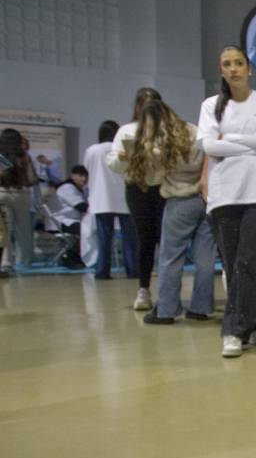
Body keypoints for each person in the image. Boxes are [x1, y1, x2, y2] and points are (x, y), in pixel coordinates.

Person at [197, 46, 256, 357]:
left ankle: (233, 330)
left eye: (238, 63)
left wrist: (231, 140)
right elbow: (210, 146)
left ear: (249, 68)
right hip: (224, 194)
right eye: (227, 64)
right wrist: (255, 146)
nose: (233, 69)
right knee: (234, 264)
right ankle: (253, 325)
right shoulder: (211, 106)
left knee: (250, 262)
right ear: (221, 70)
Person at [134, 102, 214, 325]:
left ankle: (166, 310)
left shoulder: (159, 143)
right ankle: (201, 308)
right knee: (205, 257)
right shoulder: (193, 130)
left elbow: (153, 179)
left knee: (171, 257)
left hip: (179, 201)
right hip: (206, 198)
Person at [108, 88, 172, 311]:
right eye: (144, 104)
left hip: (164, 189)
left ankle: (168, 291)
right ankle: (143, 289)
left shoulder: (169, 131)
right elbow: (114, 164)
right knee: (145, 239)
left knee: (166, 240)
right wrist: (122, 158)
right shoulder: (127, 130)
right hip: (138, 188)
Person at [83, 120, 138, 279]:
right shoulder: (122, 149)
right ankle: (133, 270)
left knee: (104, 239)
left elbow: (87, 168)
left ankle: (102, 271)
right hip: (124, 198)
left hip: (100, 199)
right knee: (129, 239)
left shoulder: (91, 150)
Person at [0, 127, 38, 272]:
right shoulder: (24, 157)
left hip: (2, 193)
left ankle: (5, 262)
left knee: (5, 229)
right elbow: (32, 179)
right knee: (24, 229)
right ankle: (24, 261)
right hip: (20, 194)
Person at [50, 165, 88, 267]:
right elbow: (79, 205)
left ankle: (78, 255)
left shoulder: (81, 189)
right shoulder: (67, 188)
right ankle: (70, 256)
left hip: (72, 220)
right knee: (86, 230)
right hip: (62, 221)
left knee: (88, 228)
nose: (84, 179)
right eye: (81, 176)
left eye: (86, 176)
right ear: (73, 176)